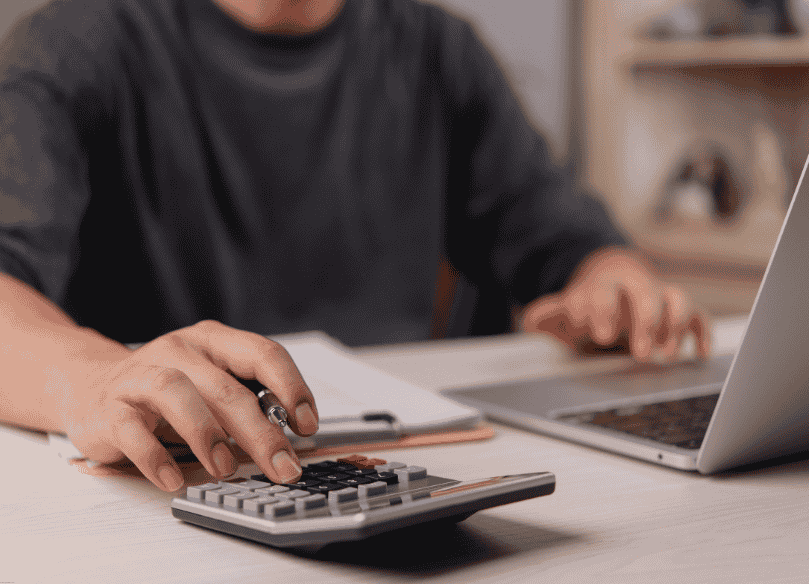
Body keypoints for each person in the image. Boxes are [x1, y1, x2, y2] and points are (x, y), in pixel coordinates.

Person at [0, 0, 709, 493]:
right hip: (176, 494)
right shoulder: (69, 49)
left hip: (411, 470)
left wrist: (611, 286)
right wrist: (93, 380)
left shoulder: (437, 49)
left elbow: (568, 244)